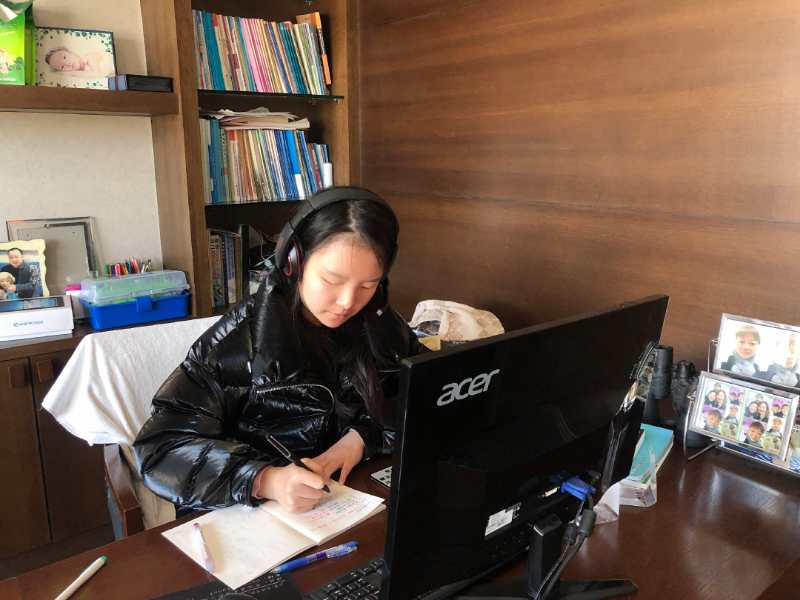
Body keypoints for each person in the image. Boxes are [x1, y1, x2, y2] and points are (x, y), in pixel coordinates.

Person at [133, 187, 426, 513]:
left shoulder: (379, 321)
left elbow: (421, 392)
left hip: (344, 500)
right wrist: (263, 479)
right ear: (293, 263)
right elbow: (159, 449)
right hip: (253, 515)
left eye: (368, 285)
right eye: (331, 280)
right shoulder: (238, 341)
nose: (348, 302)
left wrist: (358, 440)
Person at [44, 46, 115, 78]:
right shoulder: (81, 74)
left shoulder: (88, 57)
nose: (67, 63)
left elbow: (97, 73)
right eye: (62, 67)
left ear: (69, 52)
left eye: (65, 57)